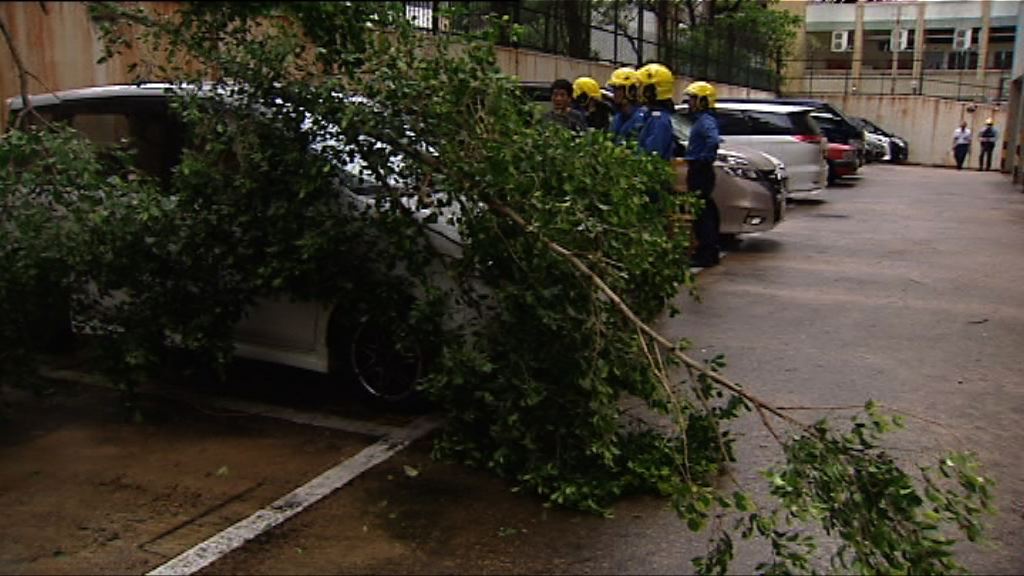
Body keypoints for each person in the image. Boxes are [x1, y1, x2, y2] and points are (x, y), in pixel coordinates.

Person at [682, 80, 722, 268]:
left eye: (693, 99)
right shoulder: (701, 120)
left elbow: (713, 141)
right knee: (703, 210)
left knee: (702, 213)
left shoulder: (706, 121)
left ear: (703, 101)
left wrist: (703, 159)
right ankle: (707, 250)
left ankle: (706, 252)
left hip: (701, 169)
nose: (690, 103)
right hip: (699, 167)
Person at [635, 63, 676, 160]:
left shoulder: (659, 121)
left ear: (650, 91)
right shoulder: (651, 116)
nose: (638, 91)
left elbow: (652, 156)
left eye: (641, 86)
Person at [606, 66, 647, 143]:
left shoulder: (642, 118)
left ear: (632, 91)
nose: (614, 92)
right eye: (614, 88)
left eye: (618, 88)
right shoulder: (618, 117)